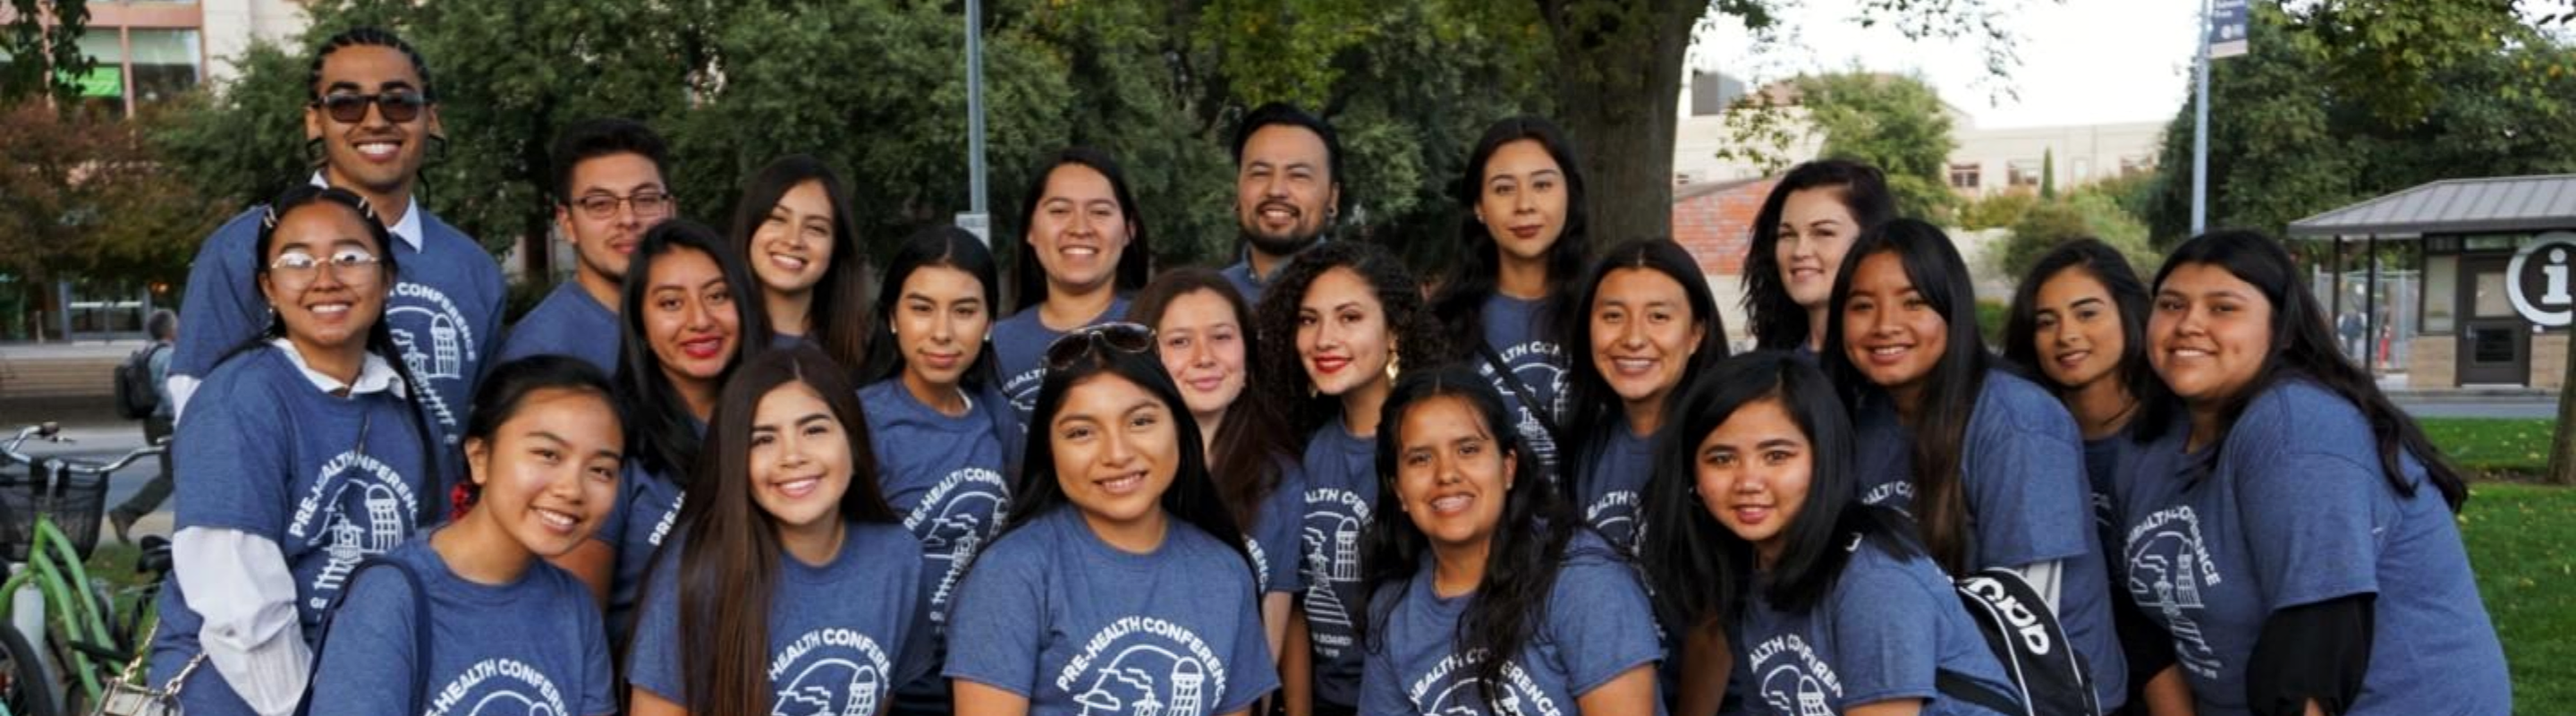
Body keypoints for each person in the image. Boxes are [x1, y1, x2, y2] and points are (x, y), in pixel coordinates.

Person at [2121, 230, 2507, 715]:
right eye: (2172, 305)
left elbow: (2312, 654)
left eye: (2224, 308)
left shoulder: (2295, 428)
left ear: (2280, 329)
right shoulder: (2157, 439)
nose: (2189, 325)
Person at [149, 185, 441, 716]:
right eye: (297, 260)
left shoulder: (396, 402)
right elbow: (241, 606)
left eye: (350, 257)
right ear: (268, 287)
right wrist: (309, 706)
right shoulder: (241, 399)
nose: (325, 278)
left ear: (388, 278)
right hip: (243, 699)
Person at [1821, 219, 2126, 711]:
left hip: (2037, 695)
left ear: (1952, 309)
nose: (1884, 324)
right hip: (1920, 685)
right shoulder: (1860, 417)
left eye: (1913, 302)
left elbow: (2026, 618)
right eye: (1861, 306)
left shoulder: (2018, 421)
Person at [167, 26, 505, 465]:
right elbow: (199, 419)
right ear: (315, 120)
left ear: (432, 118)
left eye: (398, 101)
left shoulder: (472, 268)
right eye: (347, 103)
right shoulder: (242, 249)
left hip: (436, 532)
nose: (376, 119)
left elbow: (488, 427)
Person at [1638, 353, 2020, 716]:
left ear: (1824, 460)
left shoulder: (1875, 580)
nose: (1748, 481)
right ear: (1694, 477)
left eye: (1777, 456)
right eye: (1721, 458)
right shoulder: (1750, 565)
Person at [945, 324, 1279, 715]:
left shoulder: (1226, 572)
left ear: (1178, 429)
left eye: (1140, 422)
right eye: (1082, 432)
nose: (1117, 453)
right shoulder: (1011, 575)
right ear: (1049, 450)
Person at [306, 355, 623, 716]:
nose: (572, 489)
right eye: (548, 454)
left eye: (601, 470)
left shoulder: (574, 606)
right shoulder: (390, 596)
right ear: (480, 457)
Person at [628, 345, 932, 715]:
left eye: (814, 430)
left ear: (854, 445)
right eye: (763, 439)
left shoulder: (896, 557)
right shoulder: (696, 569)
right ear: (737, 462)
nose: (792, 456)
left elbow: (877, 701)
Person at [1355, 366, 1663, 715]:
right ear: (1398, 490)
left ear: (1508, 467)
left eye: (1468, 449)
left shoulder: (1584, 579)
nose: (1446, 474)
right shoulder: (1394, 607)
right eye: (1420, 459)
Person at [1252, 241, 1453, 715]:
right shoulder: (1300, 447)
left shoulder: (1434, 445)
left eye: (1349, 318)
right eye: (1308, 320)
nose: (1324, 339)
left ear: (1394, 331)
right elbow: (1296, 599)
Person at [2002, 239, 2190, 716]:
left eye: (2087, 313)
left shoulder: (2179, 429)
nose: (2066, 334)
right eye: (2046, 322)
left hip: (2195, 663)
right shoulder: (2023, 437)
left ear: (2128, 313)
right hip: (2075, 673)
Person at [858, 226, 1020, 715]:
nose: (943, 332)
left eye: (965, 310)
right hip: (891, 686)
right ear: (892, 316)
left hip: (981, 678)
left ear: (990, 321)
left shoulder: (998, 416)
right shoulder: (858, 421)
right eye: (922, 308)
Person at [593, 219, 769, 643]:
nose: (700, 320)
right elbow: (579, 624)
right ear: (640, 325)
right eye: (671, 304)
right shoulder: (611, 439)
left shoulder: (779, 423)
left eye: (718, 296)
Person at [1127, 267, 1305, 661]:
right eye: (1179, 341)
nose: (1204, 358)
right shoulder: (1118, 471)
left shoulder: (1280, 477)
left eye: (1222, 337)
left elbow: (1269, 640)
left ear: (1247, 351)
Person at [1428, 116, 1592, 477]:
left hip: (1592, 526)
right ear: (1478, 206)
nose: (1525, 205)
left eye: (1543, 185)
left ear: (1570, 193)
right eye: (1504, 189)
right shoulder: (1442, 321)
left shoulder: (1605, 311)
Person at [1557, 239, 1728, 551]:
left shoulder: (1726, 448)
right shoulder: (1583, 446)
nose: (1633, 338)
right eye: (1613, 316)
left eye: (1659, 317)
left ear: (1696, 334)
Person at [494, 117, 676, 374]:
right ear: (567, 223)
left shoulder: (703, 326)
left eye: (645, 199)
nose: (628, 219)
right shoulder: (541, 356)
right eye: (600, 204)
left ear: (670, 210)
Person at [995, 148, 1149, 428]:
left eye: (1100, 212)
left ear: (1129, 231)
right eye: (1059, 211)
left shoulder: (1156, 325)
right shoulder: (995, 347)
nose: (1080, 228)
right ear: (1030, 229)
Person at [731, 155, 876, 372]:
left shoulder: (865, 355)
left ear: (836, 246)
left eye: (816, 228)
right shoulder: (714, 339)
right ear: (751, 227)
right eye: (777, 219)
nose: (793, 240)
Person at [1740, 159, 1895, 354]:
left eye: (1823, 233)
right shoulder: (1767, 372)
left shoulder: (1897, 364)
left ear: (1871, 240)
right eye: (1787, 235)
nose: (1800, 251)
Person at [1224, 103, 1344, 303]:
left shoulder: (1367, 298)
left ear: (1332, 197)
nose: (1276, 190)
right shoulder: (1210, 299)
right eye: (1260, 173)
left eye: (1298, 175)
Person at [110, 308, 179, 542]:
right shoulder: (167, 354)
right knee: (174, 476)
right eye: (176, 324)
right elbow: (166, 389)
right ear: (170, 329)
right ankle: (126, 513)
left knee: (179, 476)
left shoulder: (148, 351)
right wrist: (178, 417)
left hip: (152, 421)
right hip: (165, 422)